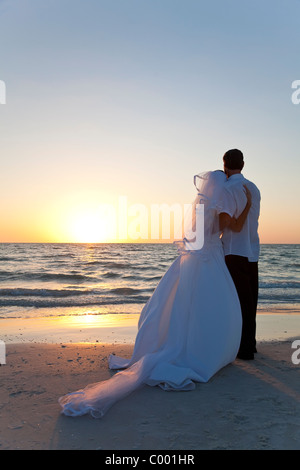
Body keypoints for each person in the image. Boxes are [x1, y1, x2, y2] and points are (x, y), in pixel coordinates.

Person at [59, 170, 252, 418]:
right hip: (211, 257)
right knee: (211, 306)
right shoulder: (219, 208)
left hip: (197, 256)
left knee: (185, 304)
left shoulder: (200, 209)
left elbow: (198, 235)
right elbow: (233, 227)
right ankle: (205, 352)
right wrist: (245, 205)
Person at [220, 149, 261, 360]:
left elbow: (229, 224)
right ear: (243, 165)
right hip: (252, 250)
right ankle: (249, 344)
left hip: (233, 250)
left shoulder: (226, 189)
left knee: (236, 301)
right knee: (250, 300)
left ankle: (242, 348)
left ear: (225, 165)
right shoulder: (253, 187)